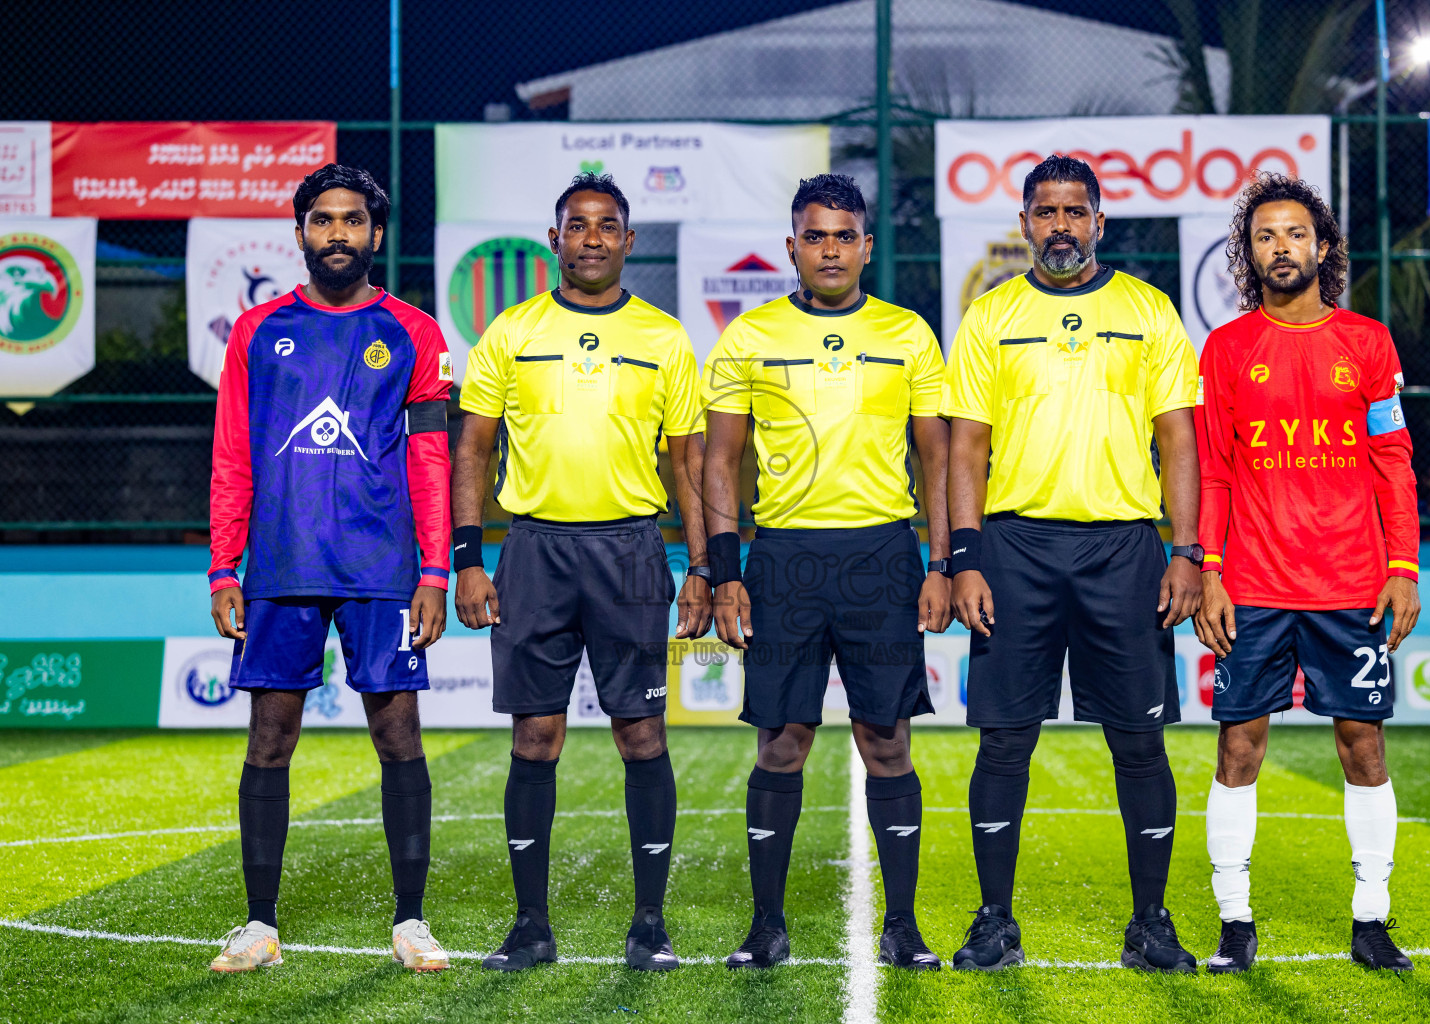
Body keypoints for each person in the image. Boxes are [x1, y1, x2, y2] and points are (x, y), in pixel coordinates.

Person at [942, 155, 1202, 973]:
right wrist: (964, 558)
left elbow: (1179, 442)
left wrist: (1187, 552)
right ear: (1024, 225)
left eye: (1074, 211)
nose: (1059, 225)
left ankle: (1152, 923)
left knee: (1139, 742)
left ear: (1099, 222)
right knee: (1004, 741)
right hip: (1015, 551)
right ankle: (993, 923)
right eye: (1044, 212)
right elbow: (966, 449)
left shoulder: (1149, 310)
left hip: (1123, 549)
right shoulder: (990, 316)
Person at [451, 172, 712, 973]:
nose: (592, 238)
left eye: (607, 226)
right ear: (554, 238)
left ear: (629, 241)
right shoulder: (511, 331)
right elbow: (471, 449)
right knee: (536, 735)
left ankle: (649, 926)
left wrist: (703, 565)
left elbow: (687, 461)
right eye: (577, 225)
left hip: (631, 551)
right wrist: (467, 557)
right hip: (533, 551)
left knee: (642, 733)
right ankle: (531, 928)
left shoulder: (665, 337)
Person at [207, 164, 452, 973]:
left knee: (398, 734)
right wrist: (223, 567)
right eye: (322, 220)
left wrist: (434, 571)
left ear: (376, 235)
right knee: (270, 738)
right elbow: (233, 456)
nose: (337, 233)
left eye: (352, 220)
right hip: (280, 564)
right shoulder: (257, 331)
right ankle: (259, 926)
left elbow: (428, 459)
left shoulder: (416, 332)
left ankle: (411, 922)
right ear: (302, 232)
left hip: (382, 568)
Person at [704, 173, 952, 970]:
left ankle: (904, 927)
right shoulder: (749, 336)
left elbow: (938, 455)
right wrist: (725, 569)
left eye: (845, 235)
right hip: (783, 559)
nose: (831, 249)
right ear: (792, 248)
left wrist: (943, 562)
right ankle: (765, 927)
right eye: (816, 236)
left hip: (882, 556)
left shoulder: (909, 333)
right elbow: (721, 461)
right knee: (782, 743)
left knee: (888, 742)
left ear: (867, 246)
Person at [1195, 174, 1420, 974]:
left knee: (1363, 749)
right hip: (1251, 586)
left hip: (1352, 586)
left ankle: (1372, 919)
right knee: (1239, 751)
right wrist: (1210, 573)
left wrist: (1404, 567)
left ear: (1321, 247)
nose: (1280, 247)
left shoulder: (1367, 342)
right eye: (1264, 236)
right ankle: (1234, 921)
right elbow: (1215, 471)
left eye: (1295, 234)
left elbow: (1393, 461)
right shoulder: (1225, 349)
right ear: (1246, 253)